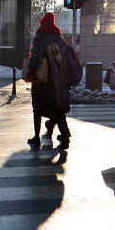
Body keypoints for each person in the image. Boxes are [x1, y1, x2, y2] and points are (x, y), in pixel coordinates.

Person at [25, 12, 71, 150]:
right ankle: (65, 137)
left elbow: (36, 56)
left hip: (43, 79)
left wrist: (31, 71)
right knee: (58, 108)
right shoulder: (60, 38)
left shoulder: (40, 36)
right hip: (59, 80)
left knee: (37, 108)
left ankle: (36, 136)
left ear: (43, 23)